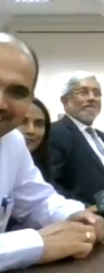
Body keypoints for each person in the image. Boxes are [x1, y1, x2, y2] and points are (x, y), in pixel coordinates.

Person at [0, 33, 104, 273]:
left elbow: (38, 201)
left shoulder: (11, 140)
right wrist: (36, 244)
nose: (1, 103)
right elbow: (37, 242)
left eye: (17, 92)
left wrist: (76, 216)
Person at [49, 72, 104, 205]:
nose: (92, 98)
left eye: (96, 93)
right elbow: (50, 185)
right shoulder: (54, 133)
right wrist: (82, 211)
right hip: (94, 213)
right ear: (65, 101)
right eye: (83, 92)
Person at [7, 98, 59, 232]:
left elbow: (39, 202)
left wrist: (76, 214)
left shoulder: (44, 166)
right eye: (23, 122)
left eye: (39, 124)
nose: (31, 131)